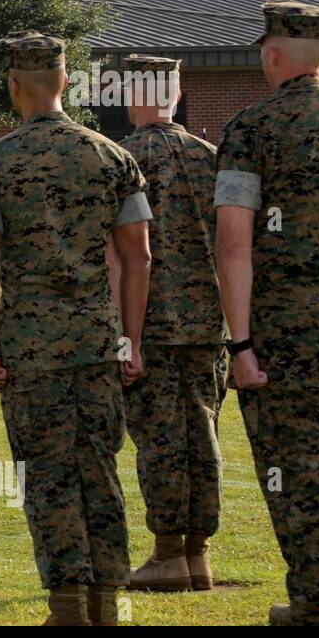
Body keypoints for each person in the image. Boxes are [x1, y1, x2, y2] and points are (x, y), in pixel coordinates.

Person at [0, 32, 153, 626]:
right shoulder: (113, 156)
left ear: (13, 85)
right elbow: (139, 257)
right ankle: (106, 602)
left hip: (29, 349)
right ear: (66, 82)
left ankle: (68, 605)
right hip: (99, 343)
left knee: (47, 475)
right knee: (99, 468)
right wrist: (132, 341)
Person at [215, 0, 319, 626]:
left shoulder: (253, 128)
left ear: (272, 53)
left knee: (298, 473)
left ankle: (315, 604)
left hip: (287, 340)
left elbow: (234, 243)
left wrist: (241, 345)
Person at [112, 54, 226, 593]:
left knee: (159, 440)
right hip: (209, 324)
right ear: (177, 96)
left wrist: (124, 337)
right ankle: (198, 554)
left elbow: (119, 257)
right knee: (202, 434)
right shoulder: (213, 158)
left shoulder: (119, 160)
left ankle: (166, 555)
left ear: (128, 95)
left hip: (147, 323)